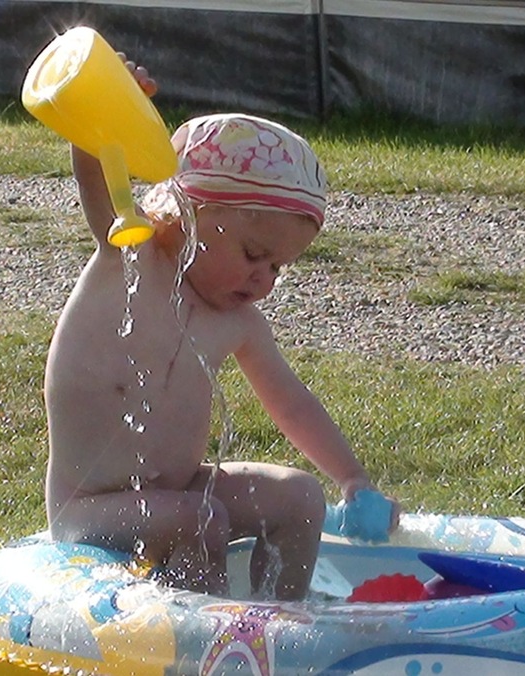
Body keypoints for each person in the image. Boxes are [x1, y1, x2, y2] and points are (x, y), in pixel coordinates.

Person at [43, 57, 398, 601]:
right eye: (255, 255)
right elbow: (95, 176)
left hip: (183, 492)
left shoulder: (239, 324)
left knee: (301, 498)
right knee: (197, 519)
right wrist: (106, 108)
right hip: (92, 507)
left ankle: (281, 626)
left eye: (278, 267)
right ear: (187, 214)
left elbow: (292, 403)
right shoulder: (131, 255)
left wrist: (352, 479)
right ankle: (209, 640)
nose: (265, 279)